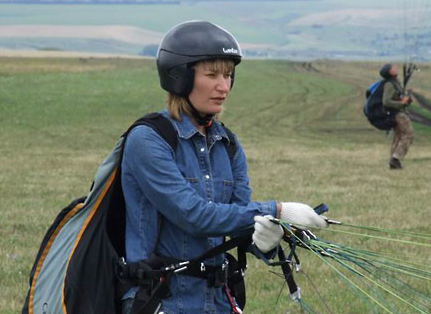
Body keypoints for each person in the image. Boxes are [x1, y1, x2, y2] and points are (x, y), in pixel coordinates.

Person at [120, 20, 327, 314]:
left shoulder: (227, 143)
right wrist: (278, 210)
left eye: (228, 75)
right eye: (212, 75)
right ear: (180, 77)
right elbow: (192, 215)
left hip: (218, 300)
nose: (224, 86)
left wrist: (266, 237)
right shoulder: (149, 139)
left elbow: (238, 217)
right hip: (161, 301)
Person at [380, 63, 414, 169]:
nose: (395, 68)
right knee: (409, 134)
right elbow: (386, 101)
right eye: (393, 68)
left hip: (397, 112)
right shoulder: (390, 84)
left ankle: (393, 162)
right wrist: (401, 103)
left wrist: (405, 99)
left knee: (398, 137)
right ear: (390, 72)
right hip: (397, 113)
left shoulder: (395, 82)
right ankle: (396, 158)